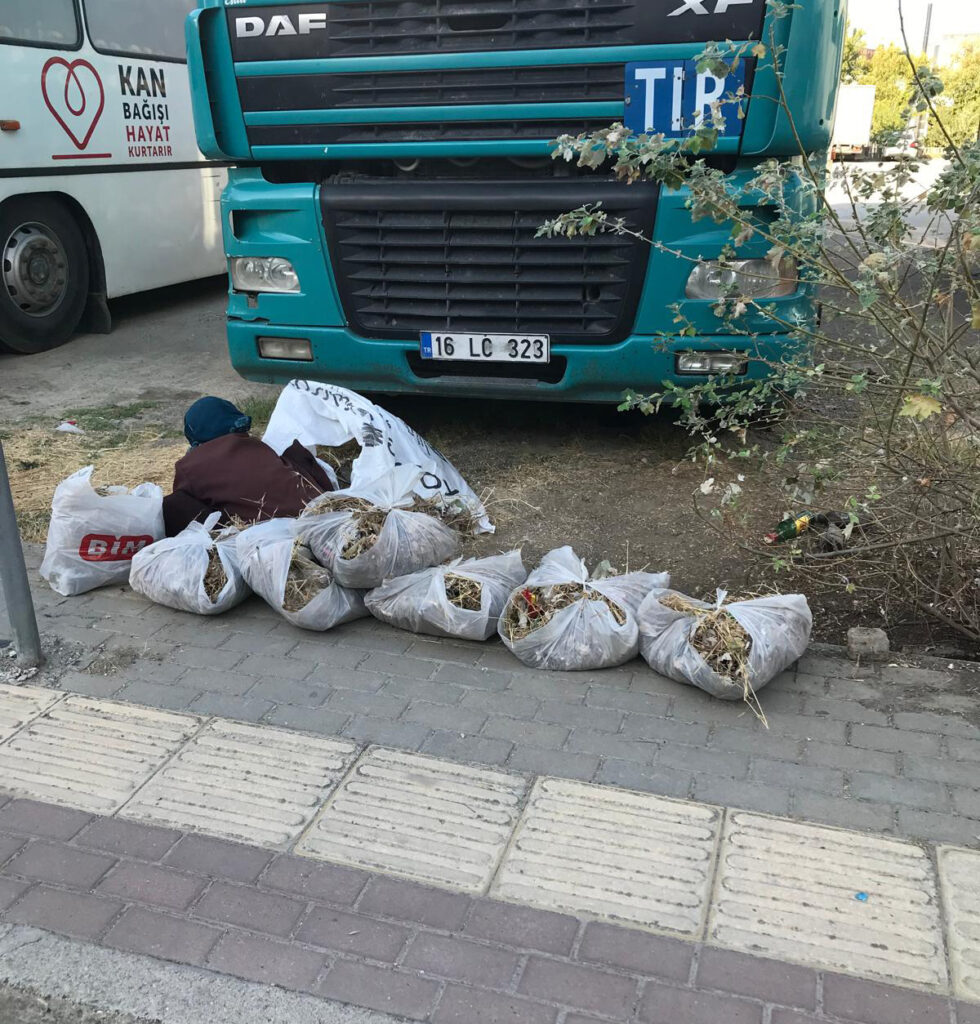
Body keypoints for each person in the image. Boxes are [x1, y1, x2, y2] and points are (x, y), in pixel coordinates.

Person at [162, 397, 332, 536]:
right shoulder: (260, 446)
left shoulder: (189, 466)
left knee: (172, 504)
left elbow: (184, 506)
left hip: (257, 537)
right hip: (317, 517)